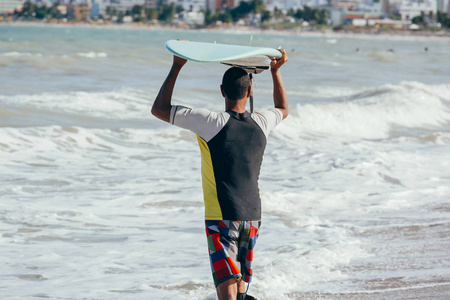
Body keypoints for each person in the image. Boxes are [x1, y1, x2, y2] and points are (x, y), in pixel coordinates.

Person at [151, 48, 288, 300]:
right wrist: (276, 72)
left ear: (222, 91)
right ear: (249, 92)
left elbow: (159, 109)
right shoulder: (263, 121)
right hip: (253, 216)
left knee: (226, 281)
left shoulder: (210, 121)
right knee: (240, 283)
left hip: (221, 215)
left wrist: (178, 66)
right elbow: (282, 108)